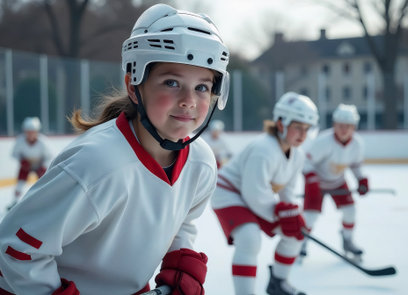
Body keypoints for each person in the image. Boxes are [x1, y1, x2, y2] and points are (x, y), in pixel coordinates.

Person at [0, 4, 229, 295]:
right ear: (134, 86)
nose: (189, 100)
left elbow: (182, 222)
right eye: (172, 82)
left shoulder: (202, 163)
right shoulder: (98, 164)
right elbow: (15, 249)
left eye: (202, 87)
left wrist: (180, 261)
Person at [211, 92, 319, 295]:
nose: (303, 135)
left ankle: (278, 282)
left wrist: (292, 215)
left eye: (307, 129)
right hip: (228, 193)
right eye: (297, 127)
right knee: (249, 238)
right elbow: (255, 194)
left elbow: (287, 190)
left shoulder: (297, 154)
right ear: (281, 124)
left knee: (295, 235)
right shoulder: (264, 150)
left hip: (252, 197)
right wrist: (282, 215)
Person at [299, 103, 369, 261]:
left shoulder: (357, 144)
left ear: (354, 127)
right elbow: (306, 163)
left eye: (348, 126)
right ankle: (301, 243)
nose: (344, 130)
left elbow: (355, 165)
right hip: (316, 182)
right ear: (334, 125)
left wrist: (361, 180)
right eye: (340, 126)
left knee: (350, 211)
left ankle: (348, 240)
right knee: (310, 216)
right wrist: (311, 182)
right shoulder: (323, 141)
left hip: (337, 181)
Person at [7, 117, 53, 210]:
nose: (30, 134)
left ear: (37, 132)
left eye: (33, 132)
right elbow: (14, 154)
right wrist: (22, 160)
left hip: (40, 165)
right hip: (25, 166)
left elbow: (50, 155)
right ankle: (15, 201)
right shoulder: (20, 141)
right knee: (20, 182)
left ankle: (47, 201)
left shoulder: (43, 141)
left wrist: (43, 165)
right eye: (28, 132)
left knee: (44, 183)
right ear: (24, 131)